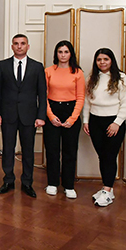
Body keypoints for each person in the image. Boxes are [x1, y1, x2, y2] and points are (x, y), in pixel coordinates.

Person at [0, 34, 47, 198]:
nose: (19, 46)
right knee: (8, 149)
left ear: (27, 46)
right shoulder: (2, 65)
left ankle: (27, 182)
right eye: (16, 43)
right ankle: (8, 180)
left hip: (29, 116)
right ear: (12, 46)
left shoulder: (37, 67)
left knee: (28, 150)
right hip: (8, 115)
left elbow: (42, 94)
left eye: (22, 43)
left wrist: (41, 116)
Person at [83, 48, 126, 207]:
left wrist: (117, 122)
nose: (102, 62)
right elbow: (87, 102)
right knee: (102, 156)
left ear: (111, 60)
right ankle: (106, 188)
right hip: (95, 121)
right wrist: (86, 121)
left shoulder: (122, 79)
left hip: (113, 122)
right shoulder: (91, 78)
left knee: (110, 156)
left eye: (106, 59)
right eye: (99, 59)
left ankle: (108, 190)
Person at [43, 40, 85, 199]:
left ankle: (69, 185)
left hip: (71, 111)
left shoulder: (78, 73)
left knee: (70, 151)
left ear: (71, 54)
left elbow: (80, 97)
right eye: (60, 52)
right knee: (52, 150)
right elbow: (43, 96)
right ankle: (52, 183)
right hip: (52, 110)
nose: (63, 55)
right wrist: (51, 116)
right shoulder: (48, 71)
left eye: (66, 52)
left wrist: (72, 119)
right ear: (56, 54)